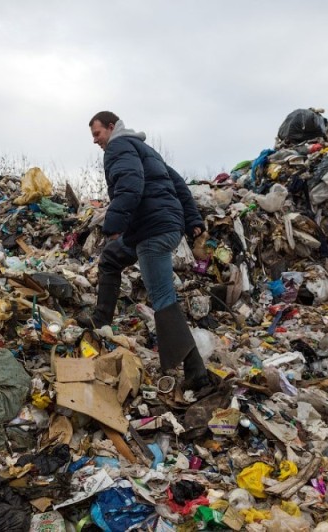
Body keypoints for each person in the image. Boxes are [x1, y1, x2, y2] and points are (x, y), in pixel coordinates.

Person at [85, 111, 209, 391]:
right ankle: (101, 320)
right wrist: (193, 222)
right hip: (161, 227)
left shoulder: (118, 147)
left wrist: (114, 224)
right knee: (112, 258)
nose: (96, 141)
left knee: (162, 297)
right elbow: (179, 185)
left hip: (152, 230)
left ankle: (196, 372)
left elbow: (130, 184)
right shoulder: (145, 148)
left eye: (97, 134)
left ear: (111, 127)